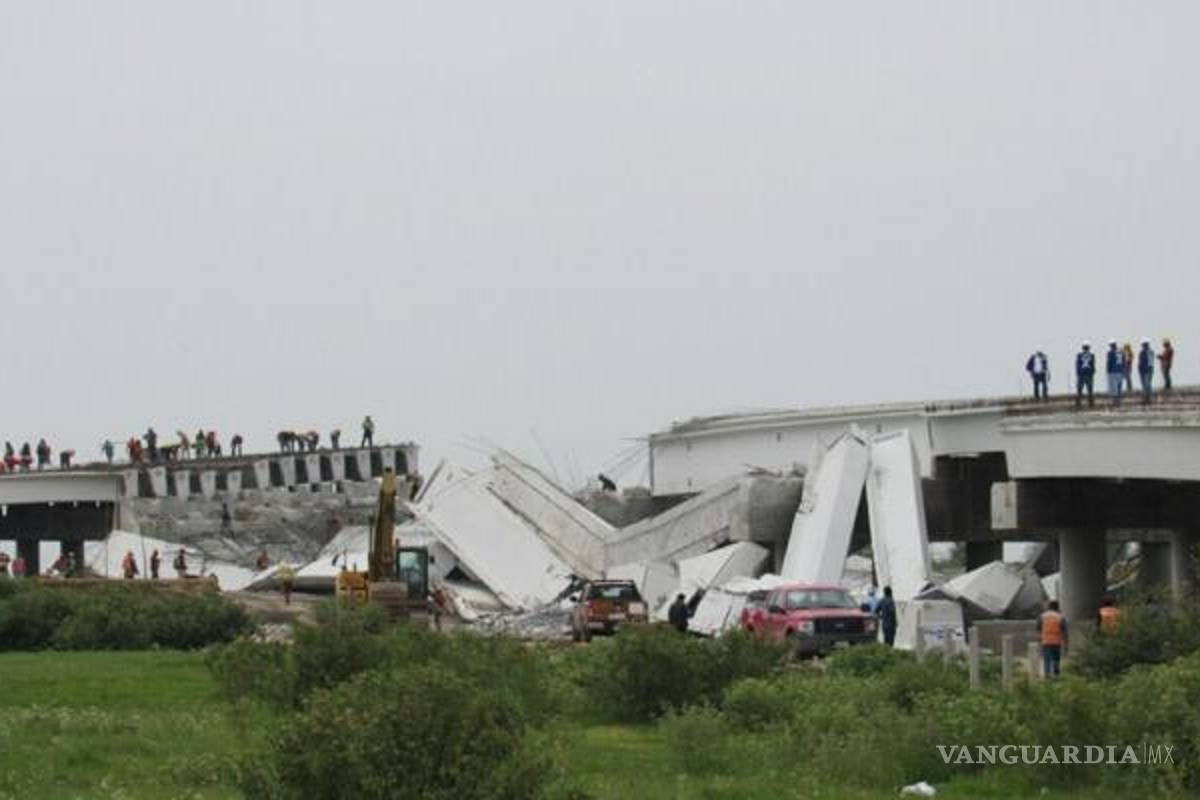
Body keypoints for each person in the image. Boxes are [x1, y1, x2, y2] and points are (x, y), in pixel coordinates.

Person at [1037, 600, 1068, 678]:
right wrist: (1066, 643)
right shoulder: (1061, 617)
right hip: (1057, 641)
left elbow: (1038, 629)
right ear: (1057, 607)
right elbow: (1064, 631)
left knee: (1047, 659)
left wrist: (1039, 640)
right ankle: (1056, 675)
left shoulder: (1042, 616)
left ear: (1049, 607)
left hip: (1046, 641)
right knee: (1056, 659)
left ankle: (1047, 675)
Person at [1075, 343, 1096, 409]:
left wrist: (1078, 373)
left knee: (1080, 390)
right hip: (1087, 374)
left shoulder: (1080, 355)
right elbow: (1093, 365)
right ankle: (1090, 404)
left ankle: (1079, 404)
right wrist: (1092, 372)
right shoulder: (1091, 355)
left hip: (1083, 374)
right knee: (1089, 390)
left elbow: (1077, 365)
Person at [1105, 341, 1124, 406]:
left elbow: (1109, 362)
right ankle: (1119, 401)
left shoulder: (1110, 353)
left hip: (1113, 371)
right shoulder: (1121, 352)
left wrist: (1108, 371)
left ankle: (1115, 402)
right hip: (1120, 371)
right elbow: (1123, 361)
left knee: (1114, 388)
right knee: (1119, 387)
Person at [1137, 339, 1155, 405]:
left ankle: (1146, 399)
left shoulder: (1145, 352)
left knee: (1146, 385)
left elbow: (1143, 362)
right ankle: (1146, 399)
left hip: (1146, 371)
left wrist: (1140, 369)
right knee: (1146, 385)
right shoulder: (1150, 352)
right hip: (1147, 370)